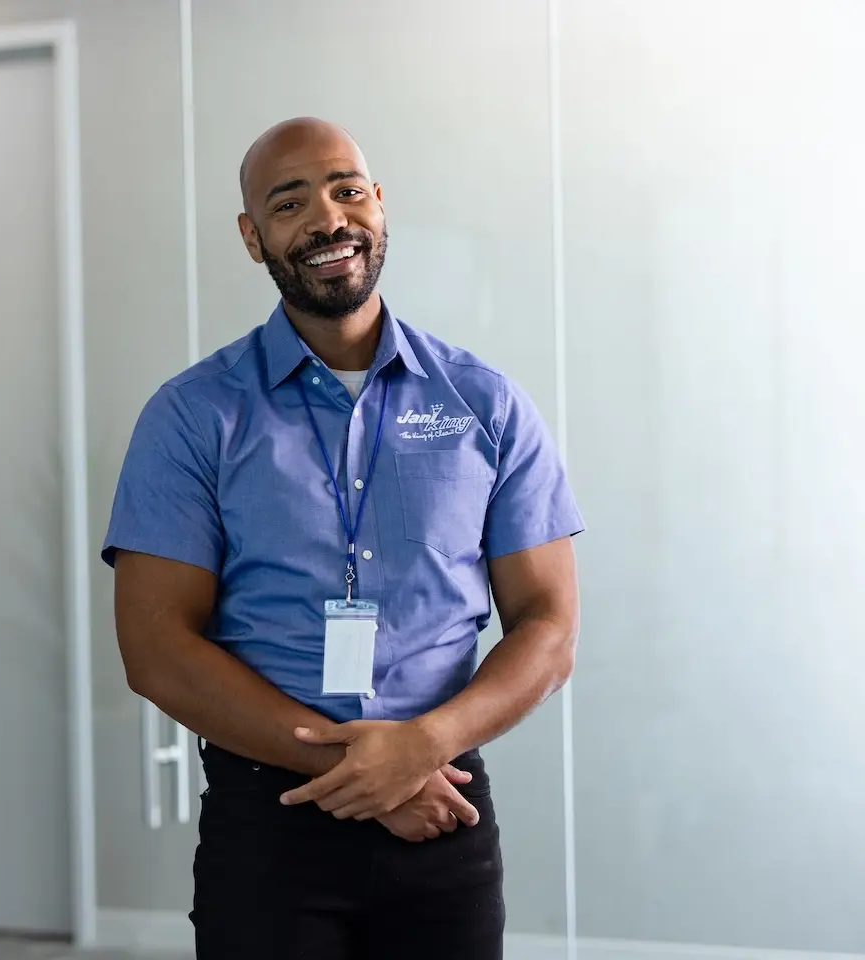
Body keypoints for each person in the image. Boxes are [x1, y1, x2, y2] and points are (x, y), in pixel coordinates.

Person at [101, 116, 585, 959]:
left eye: (347, 191)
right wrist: (361, 771)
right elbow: (155, 647)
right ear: (254, 239)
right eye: (290, 204)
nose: (328, 220)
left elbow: (548, 625)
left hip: (444, 807)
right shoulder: (191, 416)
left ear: (379, 206)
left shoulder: (487, 403)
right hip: (271, 827)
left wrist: (421, 749)